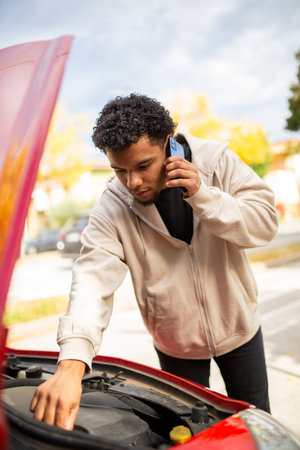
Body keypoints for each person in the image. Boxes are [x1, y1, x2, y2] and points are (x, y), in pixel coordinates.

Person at [30, 93, 278, 430]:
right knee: (184, 433)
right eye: (120, 170)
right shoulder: (112, 207)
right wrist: (72, 364)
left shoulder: (216, 161)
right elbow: (91, 279)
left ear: (167, 143)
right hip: (175, 344)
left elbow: (265, 224)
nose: (132, 182)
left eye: (143, 165)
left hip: (239, 330)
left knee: (258, 424)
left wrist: (204, 196)